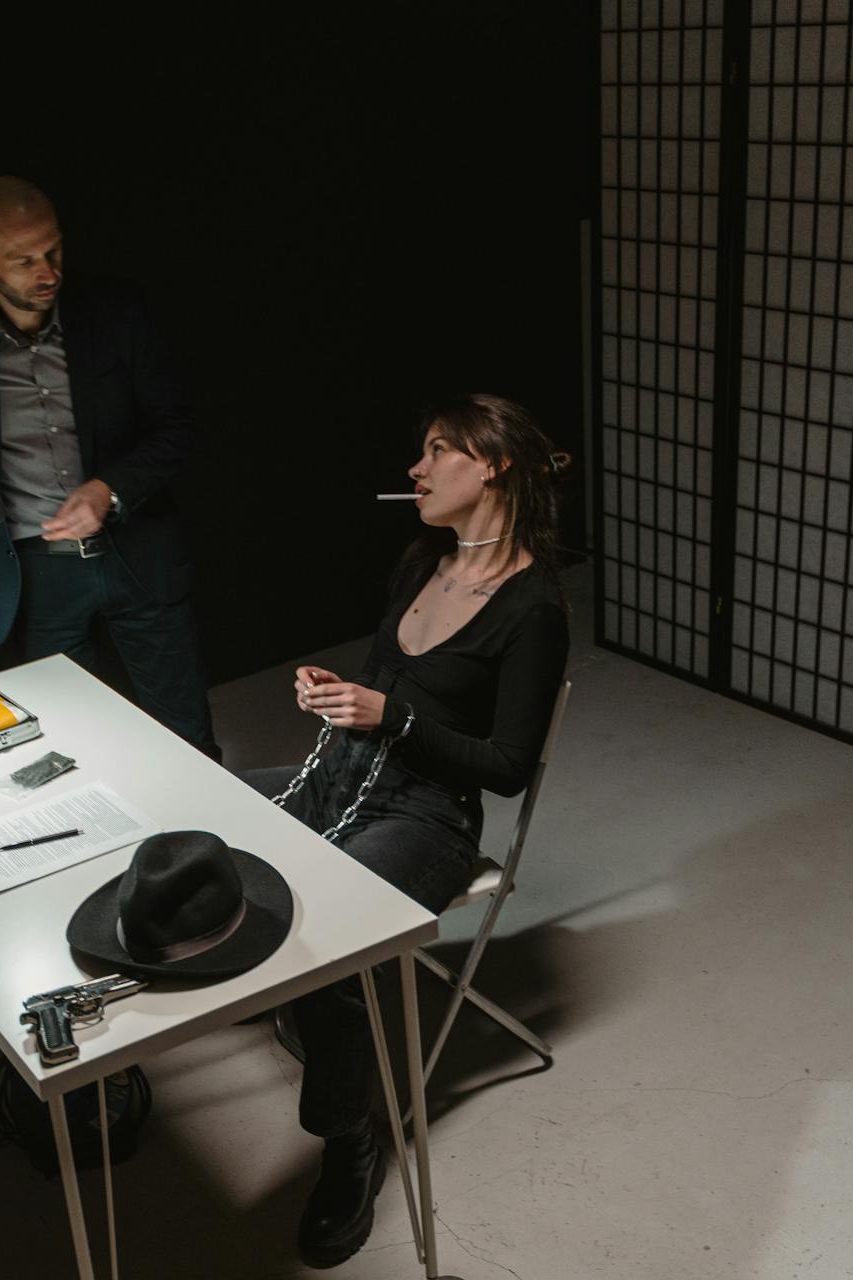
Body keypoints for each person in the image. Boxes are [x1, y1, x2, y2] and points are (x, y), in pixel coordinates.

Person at [240, 393, 571, 1269]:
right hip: (353, 773)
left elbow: (504, 766)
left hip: (431, 814)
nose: (415, 470)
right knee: (217, 813)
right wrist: (337, 695)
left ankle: (351, 1144)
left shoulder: (534, 609)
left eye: (435, 452)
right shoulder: (421, 559)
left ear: (491, 463)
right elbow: (393, 689)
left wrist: (389, 718)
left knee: (335, 937)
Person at [0, 176, 218, 757]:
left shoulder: (118, 313)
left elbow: (179, 427)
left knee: (187, 741)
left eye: (54, 250)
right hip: (33, 578)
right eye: (22, 260)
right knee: (69, 752)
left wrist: (109, 489)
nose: (47, 271)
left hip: (139, 556)